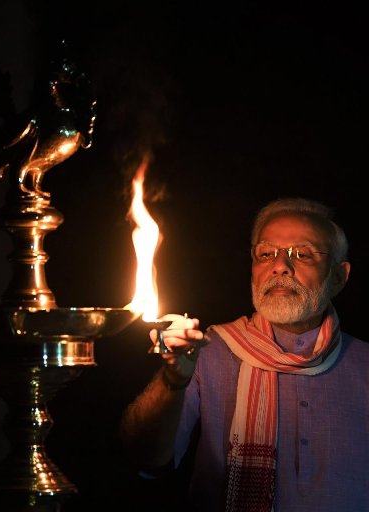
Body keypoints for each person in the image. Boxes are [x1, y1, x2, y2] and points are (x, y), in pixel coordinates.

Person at [120, 197, 369, 512]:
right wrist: (172, 381)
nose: (280, 265)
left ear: (338, 277)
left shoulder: (364, 364)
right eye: (266, 254)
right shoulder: (207, 350)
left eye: (302, 254)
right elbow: (147, 459)